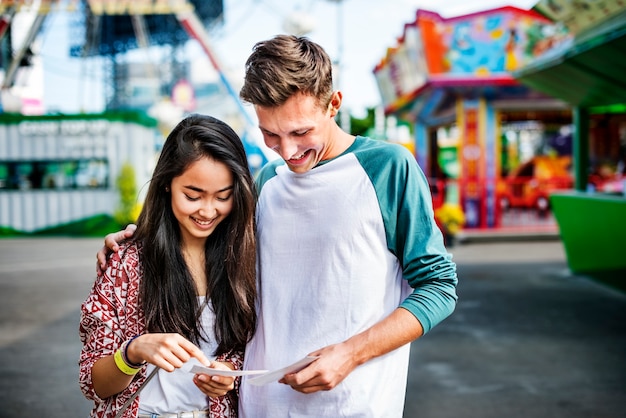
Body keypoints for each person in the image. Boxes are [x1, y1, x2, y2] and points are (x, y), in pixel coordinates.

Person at [99, 35, 458, 417]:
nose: (288, 152)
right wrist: (137, 237)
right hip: (258, 407)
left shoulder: (387, 169)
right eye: (271, 134)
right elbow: (208, 233)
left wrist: (350, 354)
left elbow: (439, 286)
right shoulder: (267, 180)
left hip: (352, 406)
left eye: (301, 132)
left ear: (333, 104)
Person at [82, 114, 257, 418]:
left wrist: (228, 372)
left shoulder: (246, 260)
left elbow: (251, 350)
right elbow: (94, 382)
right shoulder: (127, 264)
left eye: (223, 197)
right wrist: (133, 352)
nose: (207, 210)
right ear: (166, 184)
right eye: (193, 195)